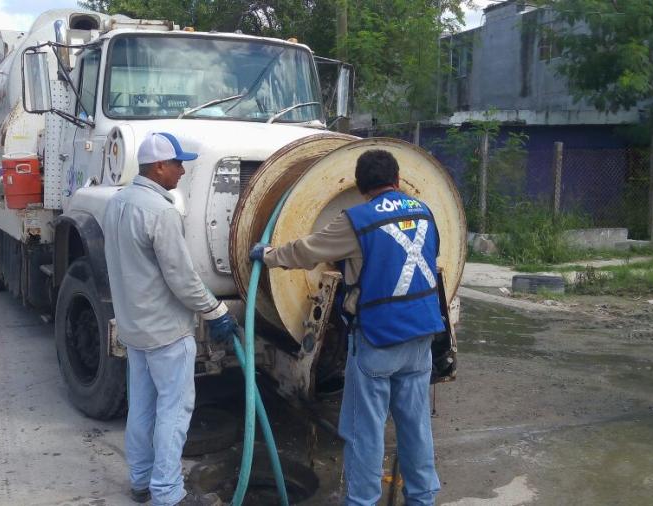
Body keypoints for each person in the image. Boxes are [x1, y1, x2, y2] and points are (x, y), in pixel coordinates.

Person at [249, 149, 443, 506]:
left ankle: (362, 501)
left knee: (364, 431)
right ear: (398, 180)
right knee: (416, 427)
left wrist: (268, 254)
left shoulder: (357, 220)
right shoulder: (426, 212)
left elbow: (306, 252)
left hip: (379, 339)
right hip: (422, 336)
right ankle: (423, 498)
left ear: (360, 186)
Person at [104, 132, 236, 506]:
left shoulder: (118, 204)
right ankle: (168, 493)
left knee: (142, 409)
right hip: (166, 332)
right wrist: (217, 310)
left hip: (134, 328)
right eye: (178, 164)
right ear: (159, 166)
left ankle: (142, 481)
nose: (182, 171)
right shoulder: (160, 212)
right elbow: (182, 277)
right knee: (174, 412)